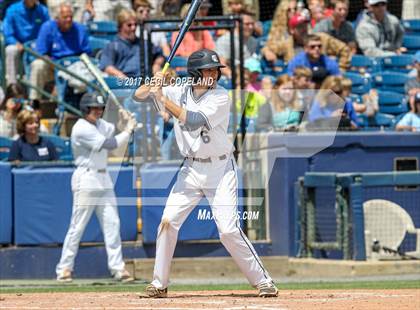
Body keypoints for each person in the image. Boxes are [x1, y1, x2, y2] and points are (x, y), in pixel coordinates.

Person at [133, 49, 278, 298]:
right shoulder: (179, 90)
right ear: (194, 73)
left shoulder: (221, 97)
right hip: (190, 169)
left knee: (228, 230)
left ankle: (263, 281)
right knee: (167, 222)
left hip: (220, 169)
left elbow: (193, 120)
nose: (213, 74)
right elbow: (138, 96)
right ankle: (159, 284)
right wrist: (154, 82)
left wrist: (162, 97)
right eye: (208, 70)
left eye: (215, 70)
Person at [56, 92, 137, 283]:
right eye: (94, 108)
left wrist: (124, 121)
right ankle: (64, 268)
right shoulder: (81, 128)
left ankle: (118, 269)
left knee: (112, 224)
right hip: (86, 178)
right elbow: (109, 143)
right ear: (85, 109)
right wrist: (128, 130)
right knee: (77, 226)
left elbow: (113, 130)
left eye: (100, 108)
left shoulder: (100, 123)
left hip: (104, 178)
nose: (98, 111)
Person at [29, 3, 91, 100]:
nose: (69, 20)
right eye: (65, 17)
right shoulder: (48, 27)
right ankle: (34, 103)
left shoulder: (79, 29)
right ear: (57, 18)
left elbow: (86, 54)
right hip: (53, 66)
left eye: (70, 17)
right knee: (38, 65)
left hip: (74, 67)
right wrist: (58, 69)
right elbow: (41, 53)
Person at [262, 11, 351, 72]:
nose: (304, 29)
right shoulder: (287, 44)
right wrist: (267, 51)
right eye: (300, 27)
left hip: (322, 76)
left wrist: (341, 68)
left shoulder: (321, 38)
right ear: (292, 30)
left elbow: (344, 49)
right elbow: (267, 48)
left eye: (305, 25)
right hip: (299, 81)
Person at [3, 0, 49, 85]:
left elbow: (47, 32)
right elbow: (7, 33)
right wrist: (15, 43)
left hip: (36, 46)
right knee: (10, 50)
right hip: (19, 44)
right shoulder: (13, 10)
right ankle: (12, 86)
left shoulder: (43, 11)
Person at [216, 8, 258, 78]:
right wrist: (233, 76)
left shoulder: (253, 41)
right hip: (229, 78)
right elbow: (220, 64)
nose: (251, 27)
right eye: (247, 24)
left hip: (248, 77)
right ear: (237, 23)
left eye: (252, 24)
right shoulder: (225, 40)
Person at [99, 9, 142, 78]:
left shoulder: (142, 43)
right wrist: (122, 77)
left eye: (135, 24)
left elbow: (158, 54)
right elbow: (106, 66)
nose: (133, 28)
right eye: (129, 25)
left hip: (145, 81)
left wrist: (156, 65)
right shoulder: (113, 45)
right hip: (124, 84)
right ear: (120, 27)